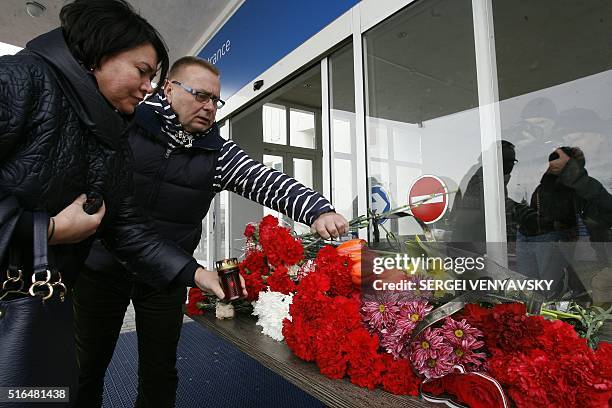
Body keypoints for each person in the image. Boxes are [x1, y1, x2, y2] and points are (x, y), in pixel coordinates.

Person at [75, 56, 349, 407]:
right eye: (200, 96)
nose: (209, 107)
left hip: (166, 275)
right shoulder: (126, 124)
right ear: (169, 89)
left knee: (160, 370)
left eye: (215, 101)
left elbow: (264, 180)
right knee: (87, 368)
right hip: (102, 268)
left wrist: (315, 209)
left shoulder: (216, 152)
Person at [0, 0, 230, 400]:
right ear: (98, 56)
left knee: (49, 387)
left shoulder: (111, 136)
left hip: (41, 296)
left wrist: (193, 273)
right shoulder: (17, 81)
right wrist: (48, 230)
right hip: (41, 285)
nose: (148, 86)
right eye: (142, 71)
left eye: (153, 76)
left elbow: (125, 225)